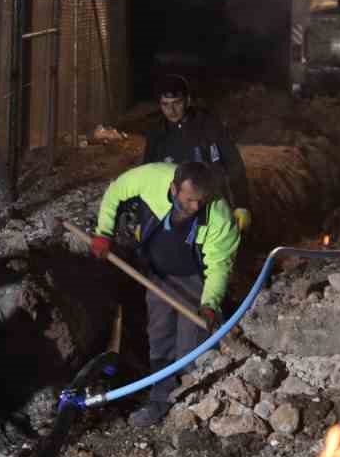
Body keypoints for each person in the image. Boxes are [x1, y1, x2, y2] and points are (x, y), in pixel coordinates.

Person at [89, 160, 241, 428]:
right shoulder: (151, 178)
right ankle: (159, 401)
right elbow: (116, 191)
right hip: (157, 275)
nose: (195, 207)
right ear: (173, 188)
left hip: (196, 280)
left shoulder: (218, 216)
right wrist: (104, 232)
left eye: (200, 201)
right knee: (159, 336)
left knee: (190, 343)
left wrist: (209, 304)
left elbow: (219, 266)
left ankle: (192, 403)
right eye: (189, 199)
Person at [141, 74, 253, 232]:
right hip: (173, 209)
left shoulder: (209, 126)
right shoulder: (157, 134)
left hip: (210, 205)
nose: (171, 110)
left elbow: (234, 165)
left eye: (177, 103)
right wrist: (143, 217)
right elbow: (146, 177)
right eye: (165, 104)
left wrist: (242, 205)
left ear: (188, 100)